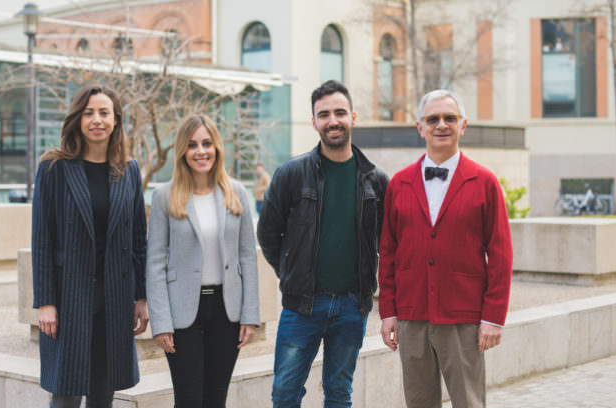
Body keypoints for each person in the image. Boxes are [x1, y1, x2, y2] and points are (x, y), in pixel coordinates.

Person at [257, 80, 389, 407]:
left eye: (340, 113)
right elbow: (268, 233)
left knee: (339, 392)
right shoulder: (291, 174)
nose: (333, 120)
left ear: (353, 117)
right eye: (324, 114)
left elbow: (389, 243)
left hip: (351, 306)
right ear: (314, 121)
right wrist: (290, 273)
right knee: (285, 392)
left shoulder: (376, 180)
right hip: (302, 305)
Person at [378, 89, 513, 408]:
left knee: (468, 401)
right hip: (412, 314)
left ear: (462, 125)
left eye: (449, 118)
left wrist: (493, 317)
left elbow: (501, 254)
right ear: (420, 127)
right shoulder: (399, 183)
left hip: (463, 316)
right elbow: (389, 252)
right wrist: (388, 311)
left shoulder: (484, 182)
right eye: (433, 118)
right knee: (419, 401)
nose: (441, 125)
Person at [31, 85, 149, 408]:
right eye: (88, 113)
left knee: (103, 394)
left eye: (104, 112)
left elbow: (139, 238)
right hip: (69, 299)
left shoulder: (128, 170)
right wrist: (46, 302)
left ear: (116, 120)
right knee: (66, 395)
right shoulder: (54, 169)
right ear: (78, 119)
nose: (96, 120)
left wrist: (141, 297)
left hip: (114, 298)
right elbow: (42, 240)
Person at [146, 114, 259, 407]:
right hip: (183, 313)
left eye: (207, 143)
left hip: (227, 310)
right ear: (182, 150)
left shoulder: (238, 194)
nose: (201, 151)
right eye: (193, 145)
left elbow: (248, 256)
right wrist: (161, 322)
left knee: (215, 399)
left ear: (217, 147)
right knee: (188, 400)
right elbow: (155, 261)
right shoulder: (164, 196)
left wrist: (250, 315)